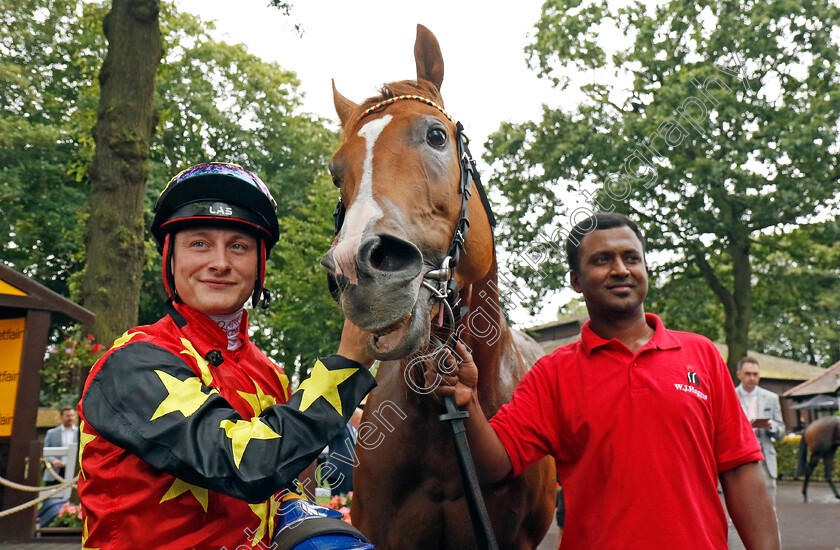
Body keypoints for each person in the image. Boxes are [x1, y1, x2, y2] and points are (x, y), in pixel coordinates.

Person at [429, 212, 780, 550]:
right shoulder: (553, 374)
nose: (621, 269)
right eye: (602, 260)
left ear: (645, 269)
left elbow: (740, 470)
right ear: (576, 280)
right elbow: (495, 465)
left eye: (632, 258)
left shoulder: (701, 356)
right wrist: (469, 403)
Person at [77, 163, 376, 549]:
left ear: (259, 267)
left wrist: (300, 514)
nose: (220, 262)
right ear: (170, 257)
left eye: (238, 246)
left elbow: (272, 489)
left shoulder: (270, 373)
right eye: (199, 244)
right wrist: (347, 365)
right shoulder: (132, 361)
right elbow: (249, 464)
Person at [735, 356, 785, 505]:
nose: (752, 378)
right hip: (739, 459)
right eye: (748, 374)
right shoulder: (729, 396)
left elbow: (781, 432)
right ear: (739, 375)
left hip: (765, 459)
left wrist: (770, 425)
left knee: (769, 507)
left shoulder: (771, 398)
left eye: (755, 374)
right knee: (741, 508)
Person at [43, 406, 79, 485]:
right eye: (67, 416)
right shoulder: (51, 433)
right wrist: (53, 460)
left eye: (72, 415)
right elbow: (44, 452)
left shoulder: (80, 433)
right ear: (61, 417)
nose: (70, 418)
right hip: (55, 473)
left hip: (74, 472)